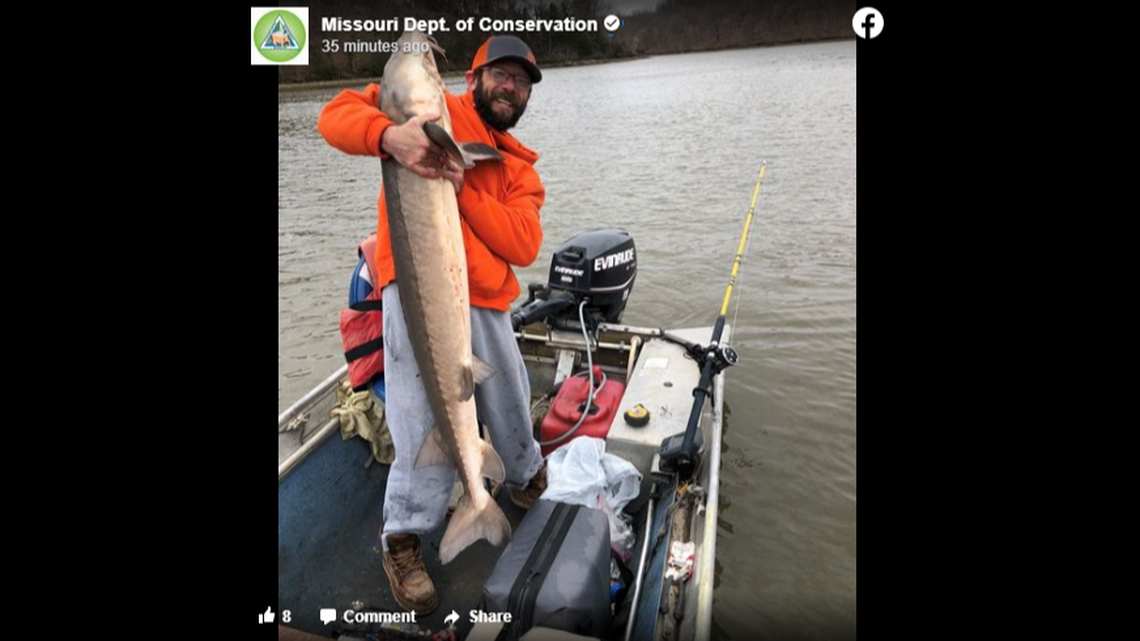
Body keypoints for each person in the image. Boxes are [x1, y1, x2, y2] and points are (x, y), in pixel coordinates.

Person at [317, 35, 549, 614]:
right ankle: (404, 538)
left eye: (521, 82)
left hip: (487, 301)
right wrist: (389, 137)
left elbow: (523, 242)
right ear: (470, 80)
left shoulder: (520, 169)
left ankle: (519, 476)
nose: (510, 87)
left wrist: (463, 187)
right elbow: (333, 116)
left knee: (512, 404)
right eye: (501, 74)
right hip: (417, 292)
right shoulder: (428, 111)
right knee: (420, 415)